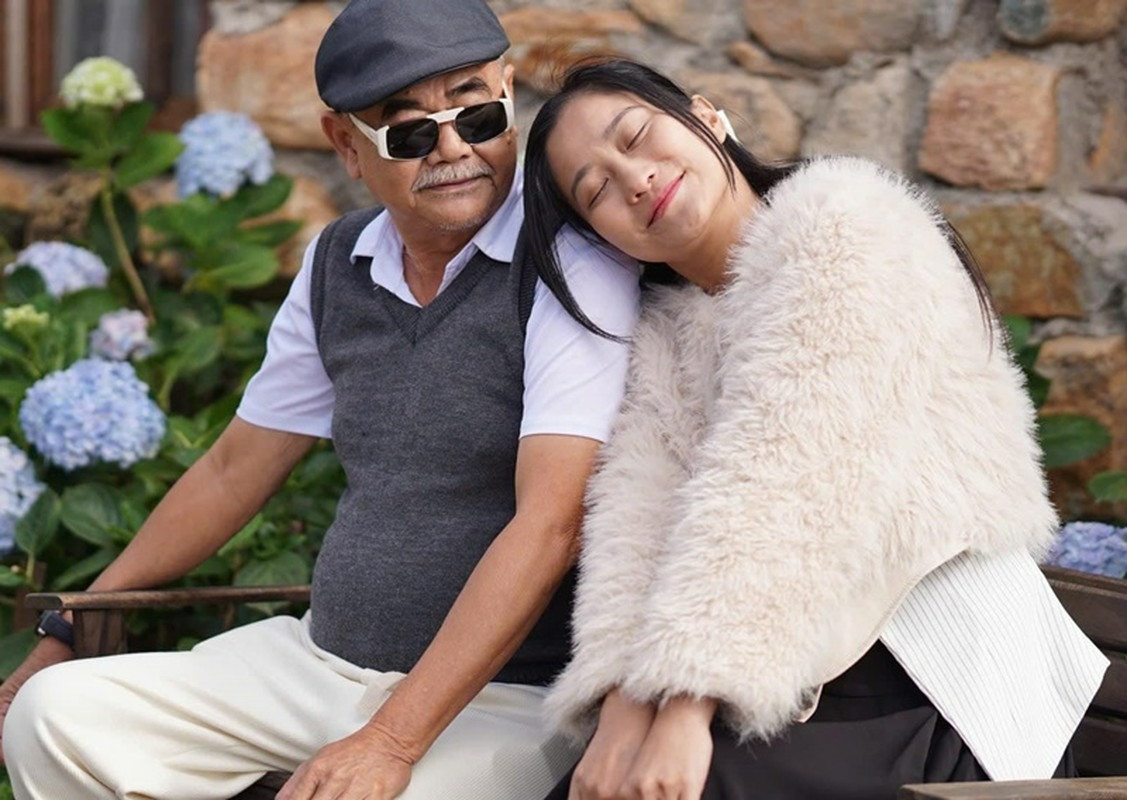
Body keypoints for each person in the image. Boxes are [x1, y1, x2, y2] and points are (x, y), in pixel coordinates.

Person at [0, 4, 642, 799]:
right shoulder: (340, 261)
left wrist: (390, 740)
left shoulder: (567, 263)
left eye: (476, 115)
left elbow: (551, 523)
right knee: (55, 715)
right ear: (345, 145)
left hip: (502, 700)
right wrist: (76, 619)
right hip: (315, 665)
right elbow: (233, 469)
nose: (453, 150)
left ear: (508, 96)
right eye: (409, 133)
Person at [519, 58, 1108, 800]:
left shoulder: (845, 226)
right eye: (596, 191)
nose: (633, 179)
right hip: (789, 683)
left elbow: (791, 480)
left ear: (705, 116)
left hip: (935, 687)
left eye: (636, 136)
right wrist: (620, 709)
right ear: (602, 238)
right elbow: (637, 521)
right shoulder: (663, 335)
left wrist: (687, 701)